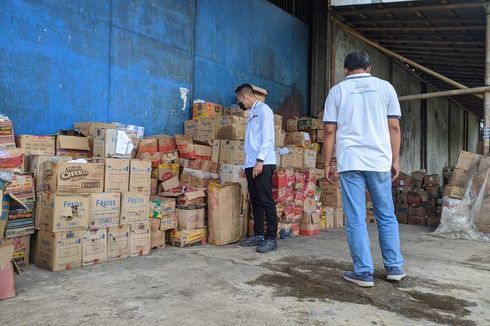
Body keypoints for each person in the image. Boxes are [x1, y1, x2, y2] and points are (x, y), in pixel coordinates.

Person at [323, 50, 405, 287]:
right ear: (369, 68)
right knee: (386, 214)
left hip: (351, 162)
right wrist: (395, 159)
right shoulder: (385, 88)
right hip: (379, 160)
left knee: (356, 217)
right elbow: (394, 128)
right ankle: (395, 267)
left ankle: (364, 272)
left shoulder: (337, 91)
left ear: (345, 70)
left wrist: (328, 163)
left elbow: (329, 131)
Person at [235, 83, 278, 253]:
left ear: (245, 97)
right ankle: (259, 234)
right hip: (251, 163)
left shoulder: (264, 110)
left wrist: (260, 160)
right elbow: (252, 141)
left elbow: (267, 137)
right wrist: (247, 164)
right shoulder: (252, 112)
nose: (240, 104)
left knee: (266, 200)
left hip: (263, 162)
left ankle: (271, 238)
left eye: (239, 100)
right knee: (256, 200)